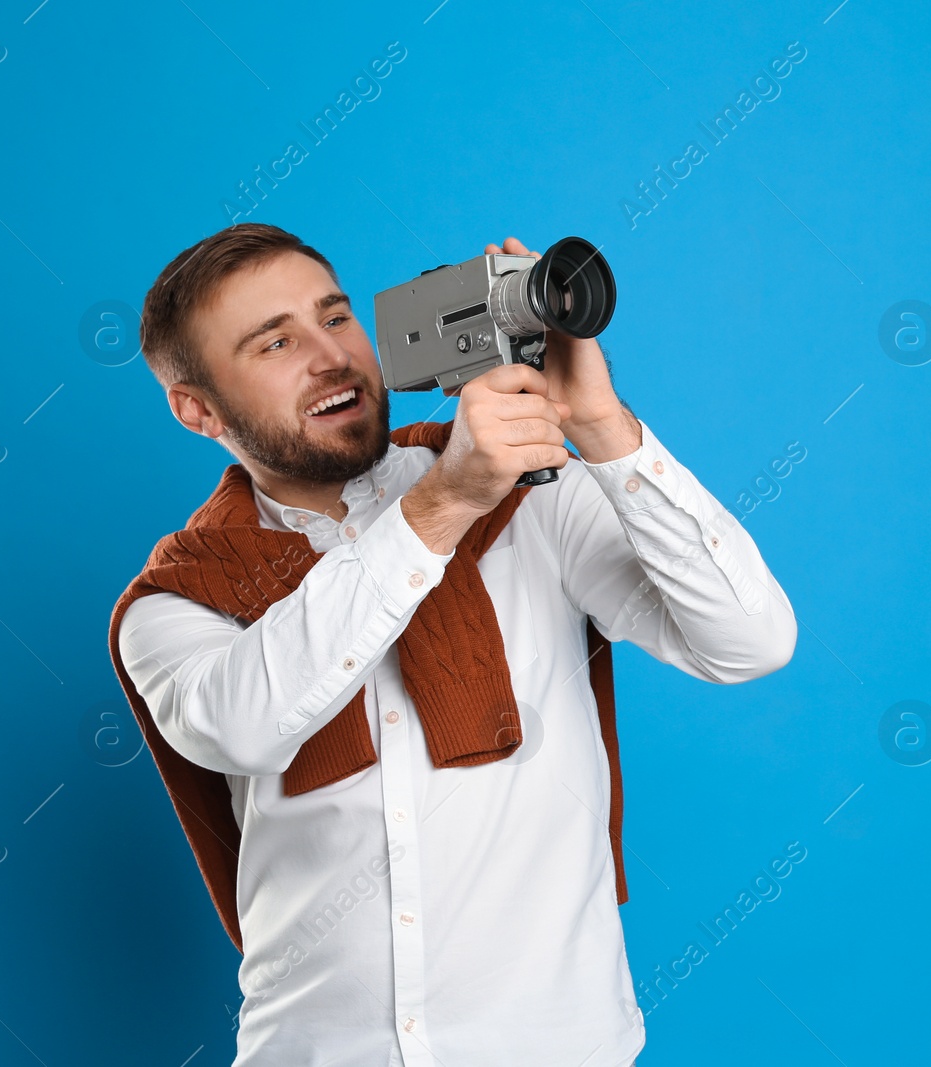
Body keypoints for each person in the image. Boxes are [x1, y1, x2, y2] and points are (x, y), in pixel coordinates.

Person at [108, 223, 797, 1066]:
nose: (330, 356)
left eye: (334, 318)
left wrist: (602, 424)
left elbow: (748, 640)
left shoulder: (528, 496)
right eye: (276, 341)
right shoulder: (175, 601)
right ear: (197, 408)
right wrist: (441, 507)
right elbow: (246, 722)